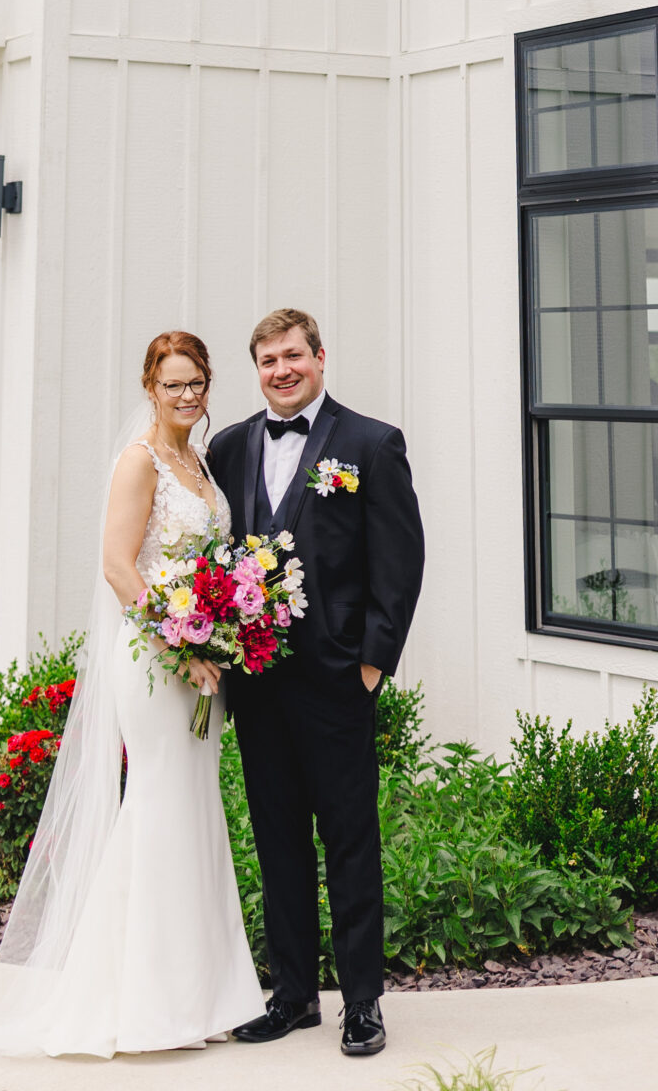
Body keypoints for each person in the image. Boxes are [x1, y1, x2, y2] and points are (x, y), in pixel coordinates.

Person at [0, 331, 261, 1059]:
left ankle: (202, 994)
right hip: (153, 661)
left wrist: (215, 638)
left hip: (202, 660)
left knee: (194, 809)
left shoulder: (200, 464)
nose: (186, 395)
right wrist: (180, 648)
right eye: (172, 384)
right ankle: (144, 1001)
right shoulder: (138, 462)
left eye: (196, 383)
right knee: (159, 805)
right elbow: (121, 570)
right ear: (148, 388)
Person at [207, 308, 425, 1059]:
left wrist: (372, 662)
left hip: (337, 682)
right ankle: (293, 993)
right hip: (258, 686)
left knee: (349, 841)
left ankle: (361, 1002)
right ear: (257, 368)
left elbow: (399, 560)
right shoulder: (229, 447)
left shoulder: (370, 443)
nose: (281, 370)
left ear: (320, 358)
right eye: (267, 360)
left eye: (292, 355)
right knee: (277, 842)